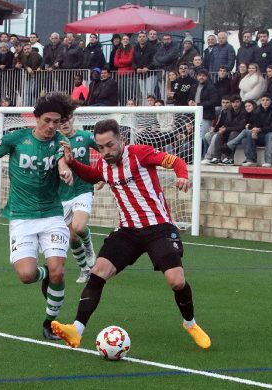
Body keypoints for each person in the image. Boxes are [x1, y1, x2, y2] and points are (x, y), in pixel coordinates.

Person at [51, 118, 211, 350]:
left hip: (159, 228)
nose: (106, 151)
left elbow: (174, 160)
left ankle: (190, 323)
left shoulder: (139, 153)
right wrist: (72, 164)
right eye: (101, 147)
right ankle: (76, 329)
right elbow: (92, 175)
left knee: (176, 281)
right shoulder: (105, 165)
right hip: (128, 231)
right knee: (98, 272)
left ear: (121, 140)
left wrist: (182, 175)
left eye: (110, 145)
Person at [0, 92, 76, 340]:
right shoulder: (16, 138)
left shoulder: (60, 141)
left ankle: (50, 323)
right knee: (27, 275)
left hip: (51, 214)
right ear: (36, 119)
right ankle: (44, 273)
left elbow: (61, 161)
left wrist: (65, 169)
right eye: (47, 120)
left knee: (59, 272)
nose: (51, 126)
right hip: (22, 216)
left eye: (56, 121)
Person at [57, 115, 99, 283]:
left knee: (79, 227)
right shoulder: (54, 142)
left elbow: (105, 150)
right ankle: (84, 270)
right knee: (72, 237)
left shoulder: (86, 136)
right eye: (61, 120)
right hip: (62, 195)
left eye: (67, 119)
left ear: (73, 119)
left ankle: (88, 245)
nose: (64, 123)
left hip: (83, 189)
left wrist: (101, 175)